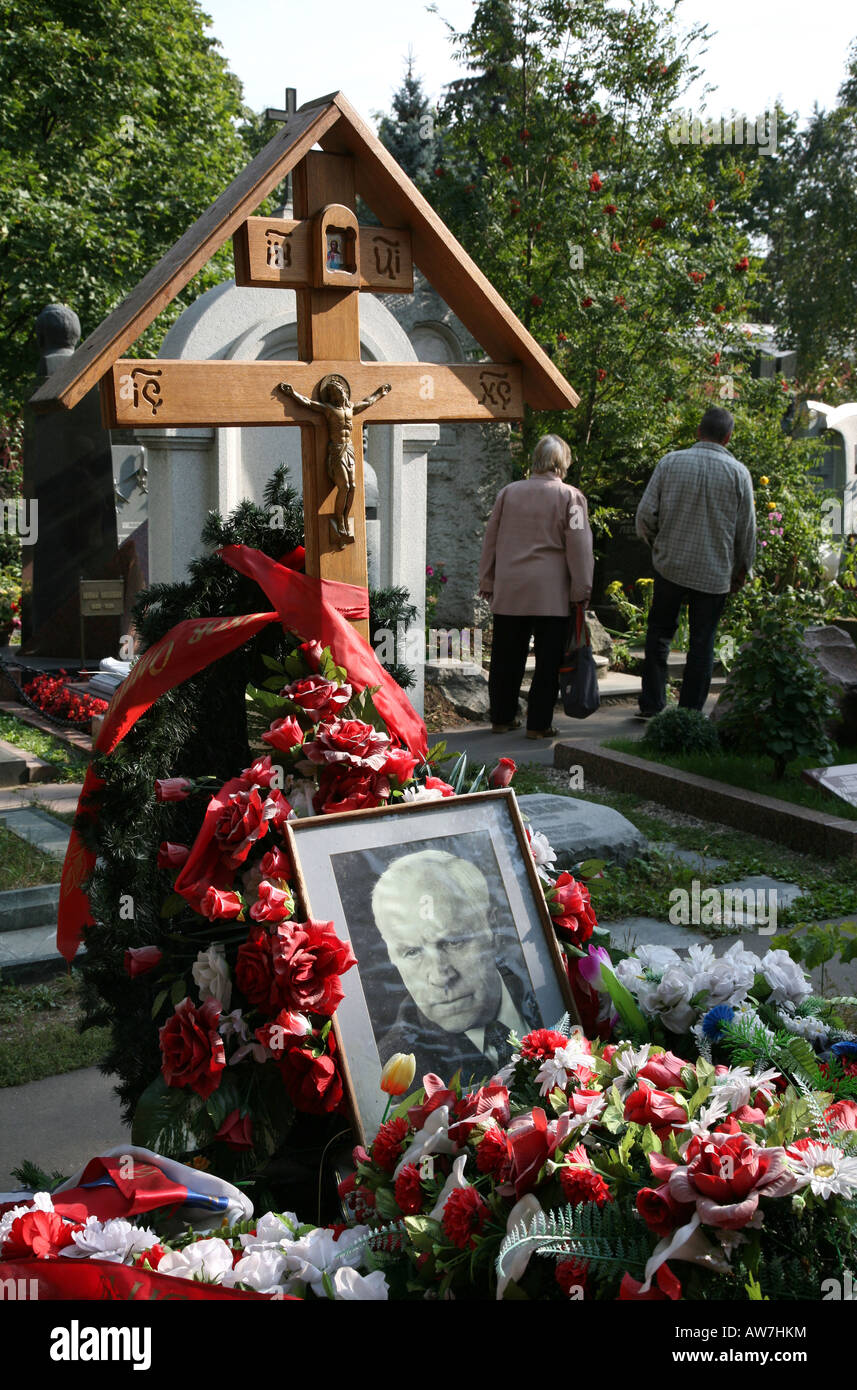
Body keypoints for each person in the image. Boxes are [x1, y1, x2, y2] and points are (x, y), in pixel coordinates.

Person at [371, 849, 538, 1081]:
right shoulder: (393, 1070)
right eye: (411, 952)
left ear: (494, 930)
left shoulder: (548, 987)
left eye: (453, 942)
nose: (440, 976)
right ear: (391, 955)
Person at [635, 405, 756, 717]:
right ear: (728, 438)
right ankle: (689, 714)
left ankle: (652, 705)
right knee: (702, 644)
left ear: (698, 432)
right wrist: (741, 570)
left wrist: (657, 545)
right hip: (714, 574)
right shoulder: (739, 473)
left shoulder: (670, 462)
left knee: (659, 635)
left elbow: (645, 516)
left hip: (670, 566)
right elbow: (746, 532)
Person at [479, 434, 594, 739]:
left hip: (511, 589)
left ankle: (501, 718)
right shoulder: (572, 498)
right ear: (562, 462)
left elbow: (491, 539)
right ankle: (538, 724)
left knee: (505, 658)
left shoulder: (508, 493)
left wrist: (487, 580)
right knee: (547, 661)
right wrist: (581, 591)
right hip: (551, 594)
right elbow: (580, 548)